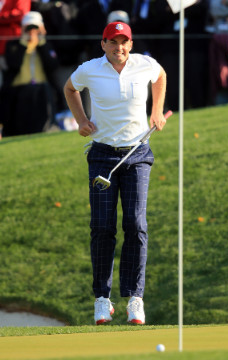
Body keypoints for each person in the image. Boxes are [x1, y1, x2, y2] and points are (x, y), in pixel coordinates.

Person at [64, 21, 167, 325]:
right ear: (103, 44)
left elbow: (160, 76)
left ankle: (135, 298)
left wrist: (157, 110)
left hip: (137, 154)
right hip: (102, 156)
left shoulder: (144, 64)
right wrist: (81, 120)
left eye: (124, 42)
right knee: (102, 227)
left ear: (130, 44)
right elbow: (70, 88)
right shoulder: (90, 69)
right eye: (113, 42)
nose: (119, 48)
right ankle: (101, 299)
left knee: (135, 224)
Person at [1, 11, 59, 136]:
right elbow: (13, 64)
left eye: (35, 27)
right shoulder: (13, 45)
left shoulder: (46, 45)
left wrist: (41, 42)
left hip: (41, 90)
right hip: (19, 90)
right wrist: (23, 43)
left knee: (42, 125)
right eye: (28, 27)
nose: (32, 31)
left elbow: (52, 65)